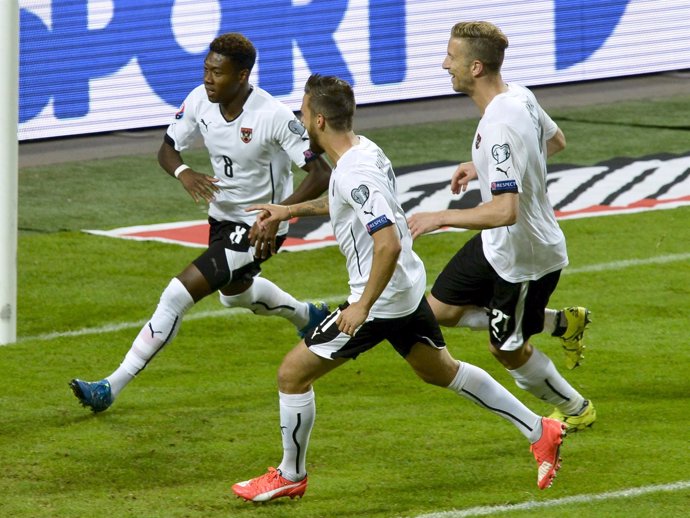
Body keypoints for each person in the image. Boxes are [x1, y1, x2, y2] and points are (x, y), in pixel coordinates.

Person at [230, 74, 567, 503]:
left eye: (302, 112)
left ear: (318, 119)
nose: (299, 119)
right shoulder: (363, 152)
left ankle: (290, 474)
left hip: (381, 301)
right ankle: (541, 429)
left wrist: (361, 307)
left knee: (292, 375)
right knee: (440, 370)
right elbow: (345, 199)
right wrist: (289, 210)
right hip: (405, 288)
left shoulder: (355, 171)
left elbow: (385, 241)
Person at [69, 33, 332, 413]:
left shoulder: (272, 116)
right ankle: (309, 316)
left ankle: (110, 385)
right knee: (235, 295)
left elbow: (319, 172)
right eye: (206, 69)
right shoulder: (199, 101)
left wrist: (279, 213)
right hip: (222, 220)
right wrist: (183, 172)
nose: (208, 79)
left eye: (217, 73)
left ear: (242, 76)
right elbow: (167, 148)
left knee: (177, 294)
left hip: (260, 228)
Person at [407, 21, 596, 433]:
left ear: (475, 68)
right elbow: (555, 140)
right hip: (497, 244)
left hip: (524, 256)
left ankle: (576, 407)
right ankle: (563, 323)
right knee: (438, 311)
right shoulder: (520, 96)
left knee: (506, 348)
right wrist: (485, 167)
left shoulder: (499, 125)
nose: (444, 65)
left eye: (451, 58)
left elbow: (505, 210)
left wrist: (440, 217)